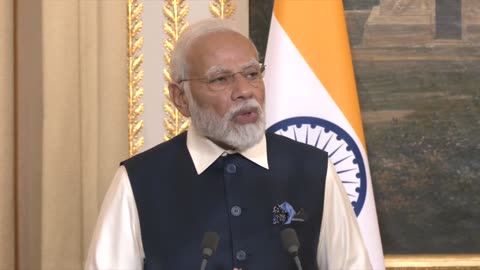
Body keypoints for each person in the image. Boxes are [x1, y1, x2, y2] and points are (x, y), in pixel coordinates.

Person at [85, 19, 373, 270]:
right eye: (220, 79)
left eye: (251, 74)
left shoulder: (312, 169)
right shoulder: (139, 181)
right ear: (180, 98)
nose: (245, 91)